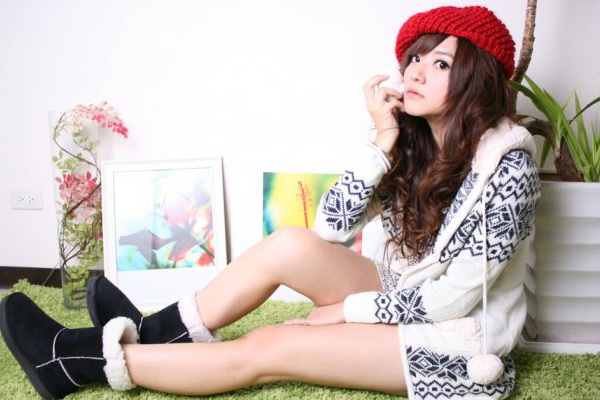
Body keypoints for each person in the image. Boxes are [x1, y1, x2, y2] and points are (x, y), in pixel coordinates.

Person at [0, 5, 541, 400]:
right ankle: (154, 335)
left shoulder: (507, 168)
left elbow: (451, 300)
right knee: (290, 245)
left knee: (272, 346)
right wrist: (382, 140)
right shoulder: (413, 142)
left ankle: (72, 360)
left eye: (442, 64)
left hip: (457, 340)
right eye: (416, 57)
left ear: (477, 77)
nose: (416, 71)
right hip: (405, 292)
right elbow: (329, 228)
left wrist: (347, 311)